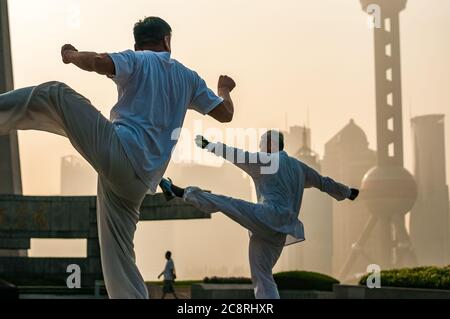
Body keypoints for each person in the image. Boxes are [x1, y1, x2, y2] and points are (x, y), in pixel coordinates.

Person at [0, 17, 236, 299]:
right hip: (140, 182)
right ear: (167, 41)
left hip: (120, 152)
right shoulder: (189, 77)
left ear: (137, 45)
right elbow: (225, 113)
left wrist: (70, 55)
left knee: (55, 94)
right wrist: (224, 89)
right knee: (120, 258)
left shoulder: (138, 60)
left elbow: (99, 62)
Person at [160, 131, 359, 299]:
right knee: (262, 275)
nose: (261, 149)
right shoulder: (299, 167)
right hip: (282, 230)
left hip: (268, 216)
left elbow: (236, 155)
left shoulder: (267, 160)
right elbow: (324, 182)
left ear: (271, 144)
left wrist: (209, 145)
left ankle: (179, 191)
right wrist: (348, 192)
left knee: (227, 203)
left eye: (262, 144)